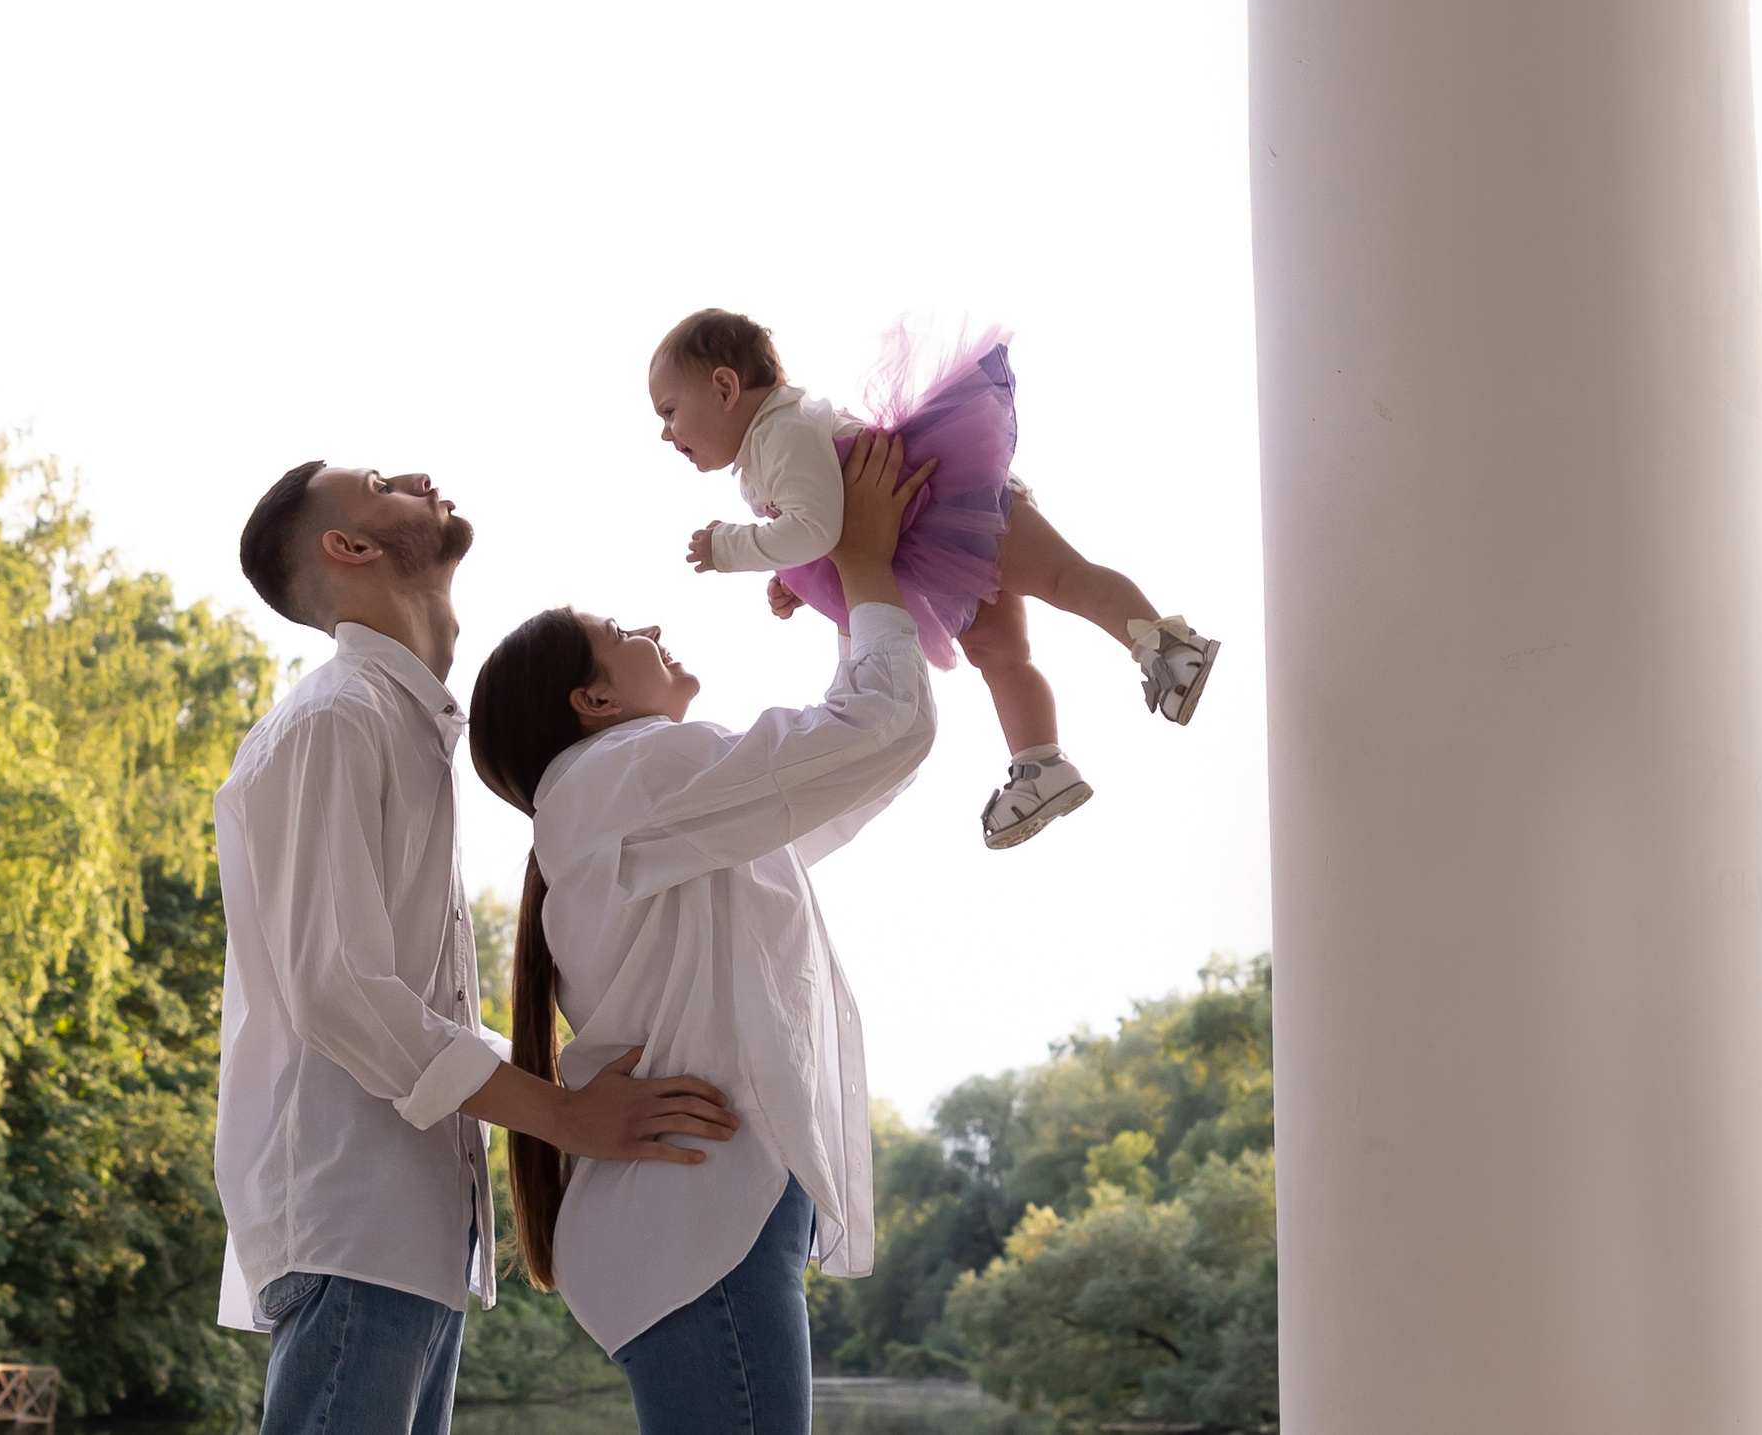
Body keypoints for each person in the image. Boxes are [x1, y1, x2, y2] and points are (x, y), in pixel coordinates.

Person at [216, 461, 741, 1435]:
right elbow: (339, 992)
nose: (418, 476)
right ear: (350, 548)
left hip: (407, 1231)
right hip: (357, 1223)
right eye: (380, 482)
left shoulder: (402, 729)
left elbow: (404, 1005)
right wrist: (561, 1116)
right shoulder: (336, 721)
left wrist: (570, 1091)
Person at [466, 430, 938, 1435]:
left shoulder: (622, 797)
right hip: (700, 1225)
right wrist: (861, 565)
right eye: (618, 628)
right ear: (591, 702)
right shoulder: (633, 772)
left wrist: (844, 596)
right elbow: (882, 732)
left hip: (690, 1223)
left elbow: (847, 769)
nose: (648, 627)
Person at [648, 308, 1219, 850]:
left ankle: (1164, 643)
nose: (667, 434)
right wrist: (796, 581)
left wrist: (731, 546)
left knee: (1061, 577)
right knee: (998, 651)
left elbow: (817, 528)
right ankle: (1040, 763)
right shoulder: (766, 448)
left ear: (725, 388)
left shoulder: (782, 430)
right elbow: (825, 527)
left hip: (950, 500)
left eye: (670, 411)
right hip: (930, 541)